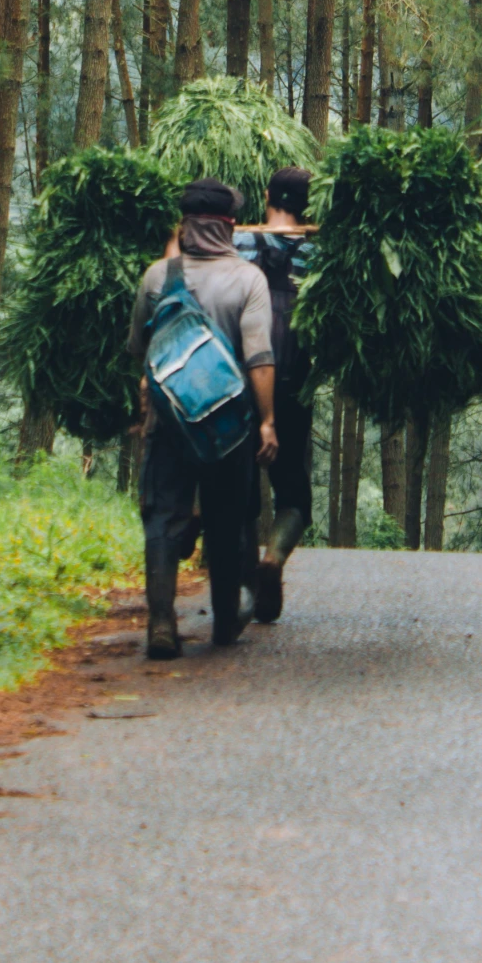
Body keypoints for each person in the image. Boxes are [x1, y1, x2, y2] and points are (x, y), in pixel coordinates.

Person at [129, 175, 277, 659]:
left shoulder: (157, 277)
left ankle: (161, 622)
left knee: (163, 517)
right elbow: (259, 358)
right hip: (227, 429)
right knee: (226, 516)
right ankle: (224, 622)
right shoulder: (248, 280)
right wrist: (267, 421)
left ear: (185, 225)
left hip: (168, 423)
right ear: (230, 227)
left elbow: (138, 350)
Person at [238, 163, 316, 623]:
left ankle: (249, 585)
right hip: (294, 384)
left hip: (240, 381)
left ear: (267, 195)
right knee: (293, 494)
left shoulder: (238, 244)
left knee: (242, 491)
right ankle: (274, 560)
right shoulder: (319, 253)